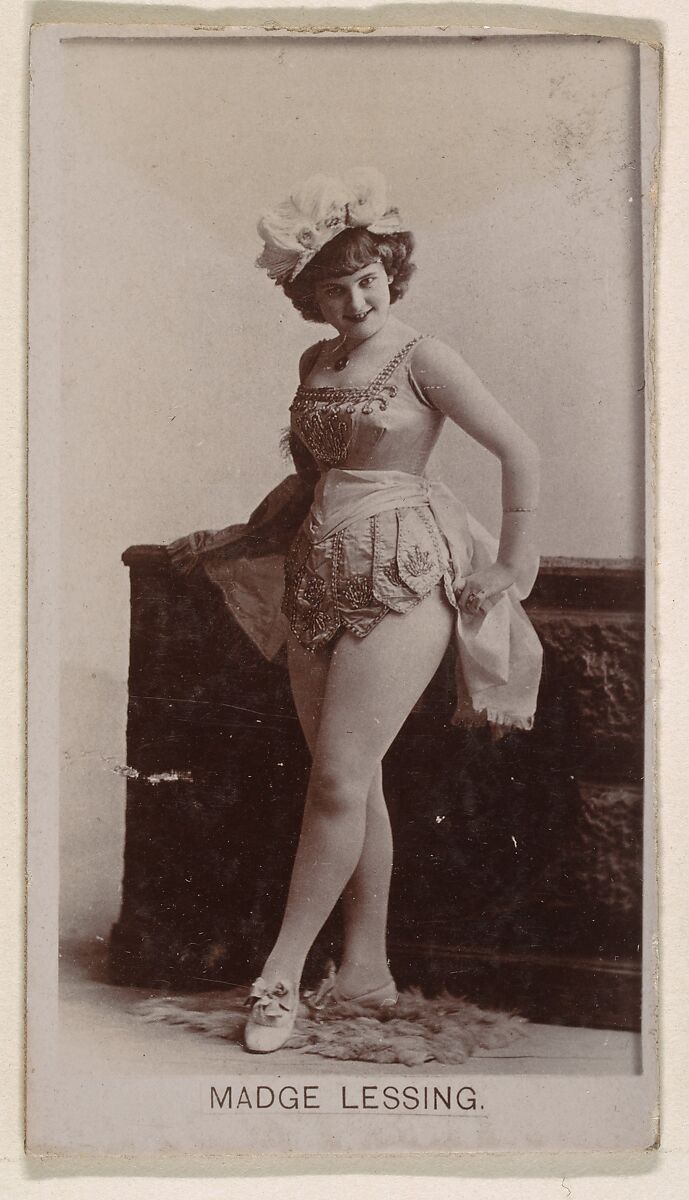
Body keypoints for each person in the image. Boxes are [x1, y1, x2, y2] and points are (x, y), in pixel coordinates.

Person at [171, 169, 543, 1053]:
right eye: (334, 289)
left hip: (404, 571)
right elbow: (311, 482)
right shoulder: (315, 363)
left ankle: (279, 976)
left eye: (367, 279)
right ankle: (366, 972)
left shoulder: (425, 357)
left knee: (337, 778)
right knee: (353, 779)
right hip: (316, 571)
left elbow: (519, 451)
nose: (355, 301)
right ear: (309, 298)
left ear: (391, 270)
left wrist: (513, 564)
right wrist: (238, 536)